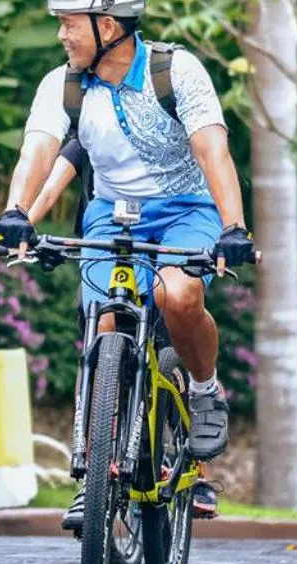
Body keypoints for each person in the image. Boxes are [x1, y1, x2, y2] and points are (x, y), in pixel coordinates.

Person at [0, 0, 255, 531]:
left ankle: (206, 392)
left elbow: (213, 151)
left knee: (179, 296)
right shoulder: (61, 83)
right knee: (106, 326)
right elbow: (38, 152)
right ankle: (94, 472)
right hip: (111, 217)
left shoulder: (175, 71)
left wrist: (234, 227)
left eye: (70, 24)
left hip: (187, 209)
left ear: (108, 25)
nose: (62, 35)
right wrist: (17, 213)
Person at [30, 140, 221, 521]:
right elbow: (53, 181)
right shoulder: (89, 135)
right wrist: (25, 221)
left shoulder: (168, 134)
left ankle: (199, 471)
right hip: (111, 255)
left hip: (166, 253)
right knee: (99, 348)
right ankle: (93, 473)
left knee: (173, 349)